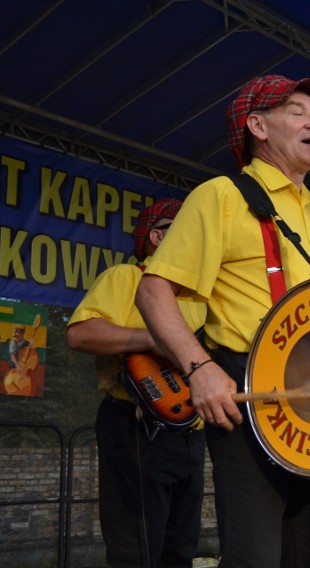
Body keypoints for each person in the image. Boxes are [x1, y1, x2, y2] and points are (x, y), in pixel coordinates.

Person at [135, 75, 310, 567]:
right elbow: (152, 289)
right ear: (257, 126)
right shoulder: (221, 195)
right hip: (250, 390)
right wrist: (200, 368)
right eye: (296, 110)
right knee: (255, 556)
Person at [66, 198, 207, 568]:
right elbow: (80, 334)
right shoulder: (125, 278)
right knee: (137, 550)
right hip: (135, 425)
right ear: (158, 236)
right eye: (184, 228)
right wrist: (150, 339)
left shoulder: (202, 296)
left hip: (191, 432)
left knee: (181, 549)